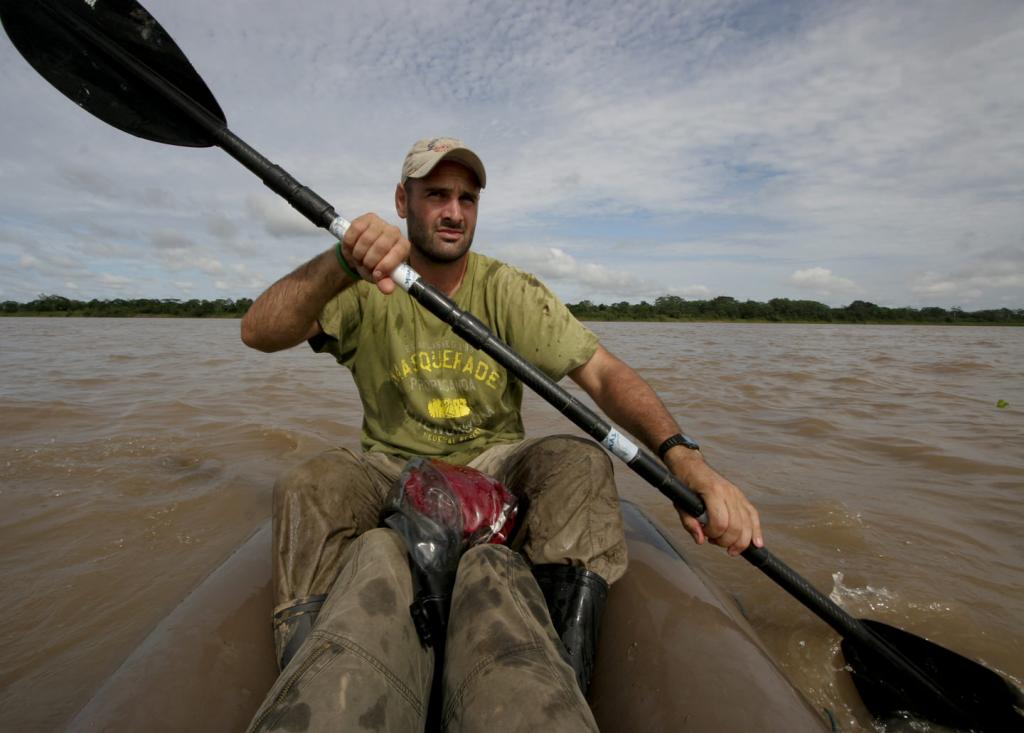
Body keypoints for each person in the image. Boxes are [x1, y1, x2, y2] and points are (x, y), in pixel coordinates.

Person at [240, 137, 764, 730]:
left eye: (467, 197)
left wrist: (685, 463)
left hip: (495, 463)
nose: (454, 212)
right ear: (401, 200)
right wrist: (340, 260)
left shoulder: (509, 290)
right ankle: (314, 673)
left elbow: (603, 372)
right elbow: (259, 332)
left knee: (580, 461)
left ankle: (557, 675)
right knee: (309, 481)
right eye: (436, 194)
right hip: (391, 467)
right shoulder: (361, 284)